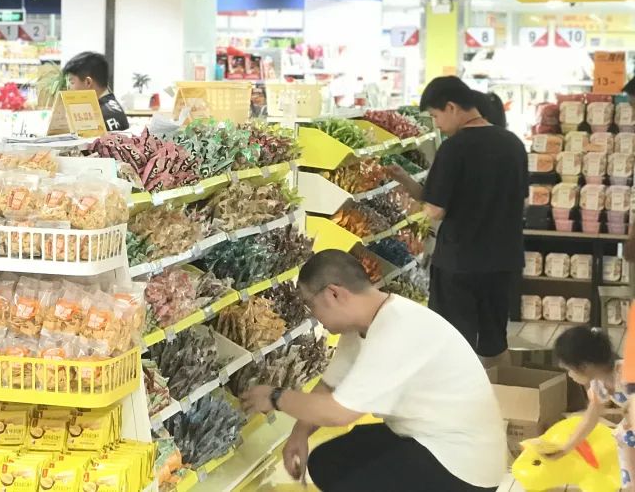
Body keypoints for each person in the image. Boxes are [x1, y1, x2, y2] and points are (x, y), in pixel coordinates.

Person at [241, 250, 505, 492]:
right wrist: (299, 433)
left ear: (334, 294)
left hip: (462, 467)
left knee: (351, 484)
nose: (313, 316)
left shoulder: (397, 329)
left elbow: (338, 413)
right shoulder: (364, 325)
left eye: (311, 305)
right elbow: (330, 386)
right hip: (427, 439)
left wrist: (276, 397)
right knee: (326, 462)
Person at [389, 76, 528, 362]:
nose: (436, 123)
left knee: (453, 343)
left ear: (451, 107)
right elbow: (522, 200)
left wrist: (409, 218)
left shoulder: (454, 148)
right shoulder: (513, 143)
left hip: (460, 262)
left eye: (435, 115)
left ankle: (460, 390)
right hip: (503, 261)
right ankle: (501, 386)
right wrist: (404, 179)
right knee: (495, 340)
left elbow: (435, 210)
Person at [544, 326, 634, 489]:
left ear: (584, 366)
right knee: (629, 477)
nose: (570, 375)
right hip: (629, 434)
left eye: (569, 370)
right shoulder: (599, 384)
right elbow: (590, 418)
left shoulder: (627, 373)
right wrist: (565, 448)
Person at [61, 51, 129, 132]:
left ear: (88, 82)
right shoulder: (112, 107)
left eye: (72, 82)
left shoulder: (97, 118)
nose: (69, 88)